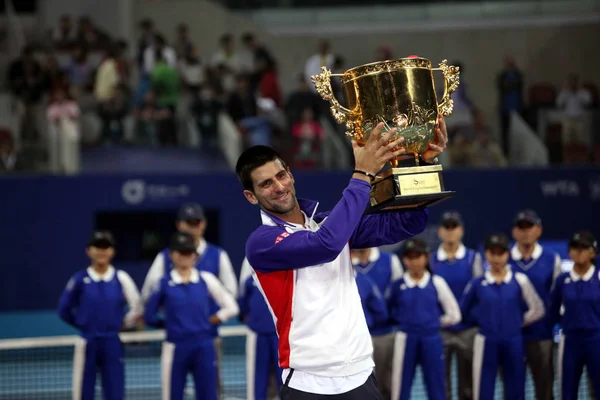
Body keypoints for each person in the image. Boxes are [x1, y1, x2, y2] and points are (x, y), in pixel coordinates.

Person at [235, 116, 448, 399]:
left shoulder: (326, 222)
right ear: (251, 197)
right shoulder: (261, 243)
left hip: (361, 377)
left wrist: (422, 164)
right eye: (265, 184)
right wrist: (362, 174)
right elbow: (326, 246)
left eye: (281, 175)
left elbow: (406, 223)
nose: (278, 186)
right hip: (308, 385)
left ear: (291, 174)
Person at [141, 203, 237, 396]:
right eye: (188, 222)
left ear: (203, 224)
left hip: (208, 337)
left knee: (211, 390)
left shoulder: (218, 255)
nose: (193, 226)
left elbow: (231, 293)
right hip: (178, 339)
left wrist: (209, 318)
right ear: (179, 224)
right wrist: (174, 320)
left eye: (197, 222)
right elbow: (149, 293)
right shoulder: (164, 258)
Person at [57, 231, 141, 400]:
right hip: (87, 342)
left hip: (112, 342)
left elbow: (137, 308)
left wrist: (122, 324)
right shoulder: (79, 279)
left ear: (112, 252)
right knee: (84, 392)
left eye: (106, 247)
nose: (102, 251)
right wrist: (82, 324)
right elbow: (63, 310)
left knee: (115, 392)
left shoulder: (121, 278)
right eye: (97, 247)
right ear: (89, 251)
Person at [460, 233, 545, 400]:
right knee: (483, 388)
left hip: (513, 340)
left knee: (516, 387)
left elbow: (538, 309)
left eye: (501, 253)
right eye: (492, 253)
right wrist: (481, 320)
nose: (496, 258)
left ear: (507, 254)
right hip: (486, 341)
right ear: (486, 254)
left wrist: (518, 322)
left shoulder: (520, 280)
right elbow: (463, 310)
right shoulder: (477, 283)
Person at [387, 238, 461, 400]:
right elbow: (389, 311)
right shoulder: (397, 286)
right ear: (404, 259)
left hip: (432, 338)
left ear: (426, 257)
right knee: (400, 386)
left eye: (418, 256)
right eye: (410, 257)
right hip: (405, 338)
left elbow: (454, 314)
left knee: (436, 385)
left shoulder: (437, 283)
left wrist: (433, 323)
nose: (414, 261)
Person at [509, 209, 562, 400]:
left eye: (529, 227)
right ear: (514, 232)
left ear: (538, 230)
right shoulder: (503, 259)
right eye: (521, 227)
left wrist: (550, 324)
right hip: (511, 337)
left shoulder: (551, 259)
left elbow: (558, 297)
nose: (525, 232)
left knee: (545, 389)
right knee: (513, 390)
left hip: (542, 336)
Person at [430, 211, 483, 400]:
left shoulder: (473, 258)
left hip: (468, 331)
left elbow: (480, 292)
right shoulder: (430, 260)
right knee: (440, 383)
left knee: (468, 383)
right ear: (440, 232)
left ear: (461, 230)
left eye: (454, 227)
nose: (450, 231)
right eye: (446, 227)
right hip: (441, 331)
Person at [549, 231, 600, 400]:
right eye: (575, 248)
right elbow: (553, 312)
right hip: (570, 341)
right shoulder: (562, 280)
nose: (579, 252)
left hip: (596, 340)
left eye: (584, 248)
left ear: (593, 252)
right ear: (569, 252)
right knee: (568, 391)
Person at [351, 247, 403, 399]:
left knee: (387, 382)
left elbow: (398, 293)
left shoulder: (389, 260)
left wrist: (385, 318)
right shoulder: (343, 263)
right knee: (357, 384)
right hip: (353, 338)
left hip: (384, 333)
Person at [239, 258, 283, 400]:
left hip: (282, 336)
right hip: (257, 335)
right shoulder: (250, 281)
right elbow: (243, 302)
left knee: (285, 380)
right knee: (257, 381)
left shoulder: (287, 277)